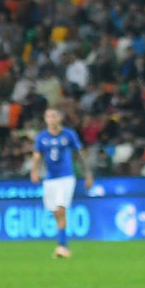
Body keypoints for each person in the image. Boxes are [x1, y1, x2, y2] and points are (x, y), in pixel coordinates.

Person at [30, 107, 94, 258]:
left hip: (66, 177)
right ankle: (62, 244)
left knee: (60, 210)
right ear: (45, 120)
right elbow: (37, 155)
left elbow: (79, 153)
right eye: (48, 116)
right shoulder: (42, 137)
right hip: (49, 179)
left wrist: (87, 173)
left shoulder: (69, 134)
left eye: (54, 116)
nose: (51, 119)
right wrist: (34, 171)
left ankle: (62, 246)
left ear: (59, 118)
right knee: (55, 213)